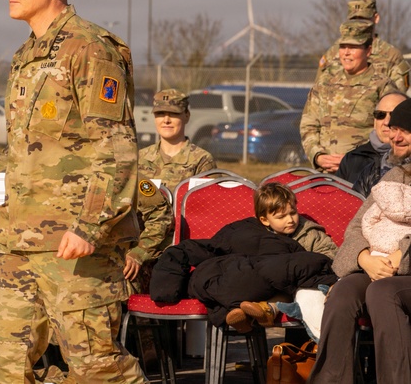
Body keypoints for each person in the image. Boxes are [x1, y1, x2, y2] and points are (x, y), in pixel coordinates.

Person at [0, 0, 146, 384]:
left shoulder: (90, 49)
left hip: (75, 245)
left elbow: (116, 148)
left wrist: (90, 225)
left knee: (98, 370)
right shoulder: (26, 55)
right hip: (17, 240)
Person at [308, 98, 411, 384]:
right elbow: (356, 227)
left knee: (383, 292)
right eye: (394, 129)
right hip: (377, 265)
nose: (395, 136)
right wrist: (363, 258)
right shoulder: (395, 175)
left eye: (406, 130)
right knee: (342, 294)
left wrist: (400, 255)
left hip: (401, 271)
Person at [151, 183, 336, 337]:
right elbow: (220, 249)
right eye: (281, 216)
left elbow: (328, 257)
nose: (290, 220)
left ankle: (258, 311)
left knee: (288, 278)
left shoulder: (309, 233)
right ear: (264, 220)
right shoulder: (249, 231)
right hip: (257, 282)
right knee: (235, 275)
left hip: (289, 285)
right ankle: (243, 314)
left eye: (293, 213)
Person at [125, 89, 215, 292]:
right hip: (144, 245)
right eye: (160, 114)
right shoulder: (140, 159)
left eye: (173, 114)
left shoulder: (201, 160)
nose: (166, 120)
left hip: (180, 249)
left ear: (187, 116)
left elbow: (206, 213)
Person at [300, 20, 399, 173]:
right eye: (343, 46)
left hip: (363, 173)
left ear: (368, 51)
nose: (346, 52)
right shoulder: (324, 83)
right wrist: (317, 156)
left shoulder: (382, 86)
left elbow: (391, 131)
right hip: (325, 173)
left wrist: (354, 160)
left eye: (353, 47)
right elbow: (308, 124)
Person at [315, 0, 409, 92]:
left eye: (363, 19)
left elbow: (398, 95)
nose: (358, 24)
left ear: (376, 18)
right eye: (354, 19)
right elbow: (317, 89)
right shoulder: (333, 53)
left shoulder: (391, 55)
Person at [337, 92, 409, 196]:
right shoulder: (353, 159)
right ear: (374, 121)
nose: (386, 122)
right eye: (380, 115)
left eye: (394, 115)